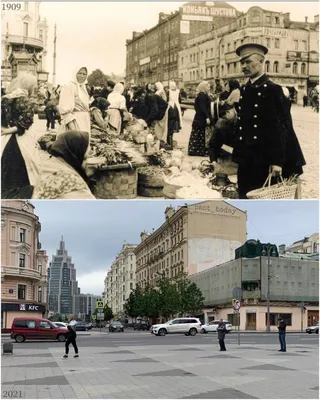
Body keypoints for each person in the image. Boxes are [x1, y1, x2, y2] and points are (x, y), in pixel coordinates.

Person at [227, 43, 306, 199]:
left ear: (262, 61)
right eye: (242, 62)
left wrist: (277, 161)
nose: (244, 66)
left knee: (262, 199)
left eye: (248, 62)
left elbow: (281, 128)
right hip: (247, 157)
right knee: (245, 196)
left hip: (265, 158)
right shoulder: (245, 90)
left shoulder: (273, 90)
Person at [1, 74, 41, 199]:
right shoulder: (25, 100)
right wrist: (11, 130)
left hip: (6, 138)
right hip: (22, 137)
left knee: (6, 161)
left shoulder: (5, 99)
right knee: (26, 164)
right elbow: (25, 122)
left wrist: (5, 130)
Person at [32, 131, 95, 199]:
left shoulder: (49, 165)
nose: (87, 161)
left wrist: (85, 175)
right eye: (86, 157)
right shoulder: (73, 184)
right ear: (75, 155)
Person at [58, 66, 91, 137]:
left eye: (84, 74)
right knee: (75, 143)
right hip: (75, 122)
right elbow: (65, 110)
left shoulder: (83, 88)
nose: (82, 76)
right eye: (80, 73)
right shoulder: (69, 86)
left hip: (84, 122)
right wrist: (73, 130)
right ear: (75, 73)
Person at [208, 103, 237, 169]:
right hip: (229, 155)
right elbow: (213, 143)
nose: (225, 119)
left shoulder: (242, 119)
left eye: (225, 117)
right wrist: (213, 161)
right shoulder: (221, 123)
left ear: (228, 112)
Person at [188, 81, 212, 157]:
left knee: (198, 134)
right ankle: (199, 151)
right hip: (201, 118)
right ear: (204, 87)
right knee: (200, 134)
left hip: (199, 117)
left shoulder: (202, 95)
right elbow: (203, 107)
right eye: (208, 87)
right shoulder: (202, 96)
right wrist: (207, 117)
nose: (209, 88)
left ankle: (195, 150)